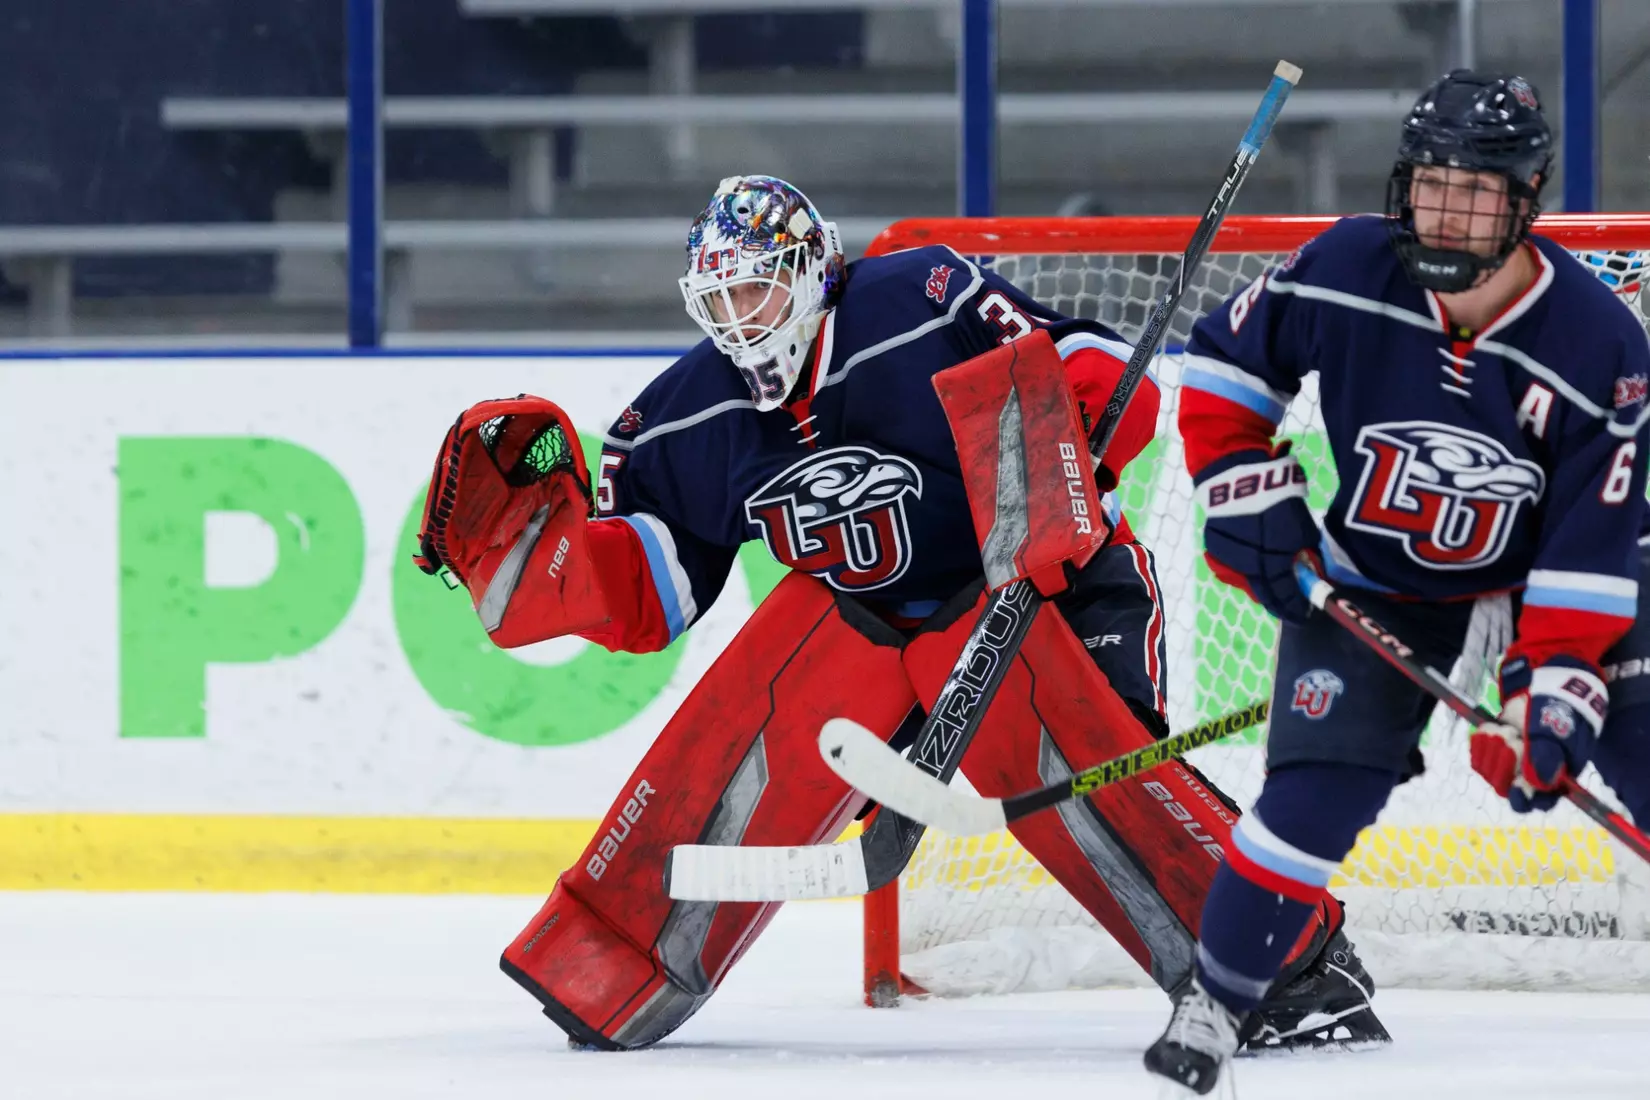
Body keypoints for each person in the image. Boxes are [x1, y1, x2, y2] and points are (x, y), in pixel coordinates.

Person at [412, 174, 1384, 1052]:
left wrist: (1074, 423)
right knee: (767, 694)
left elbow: (1086, 362)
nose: (740, 321)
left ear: (810, 269)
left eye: (755, 289)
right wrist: (551, 558)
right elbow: (652, 590)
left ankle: (1288, 967)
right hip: (873, 628)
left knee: (1071, 765)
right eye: (718, 302)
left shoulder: (918, 295)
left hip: (1046, 583)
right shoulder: (690, 412)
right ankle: (617, 950)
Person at [1146, 70, 1650, 1094]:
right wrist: (1250, 498)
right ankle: (1219, 997)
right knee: (1310, 799)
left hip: (1543, 574)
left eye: (1477, 188)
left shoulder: (1601, 343)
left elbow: (1591, 548)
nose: (1447, 208)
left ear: (1527, 197)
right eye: (1432, 181)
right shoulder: (1343, 265)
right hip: (1374, 576)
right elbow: (1225, 373)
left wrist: (1551, 692)